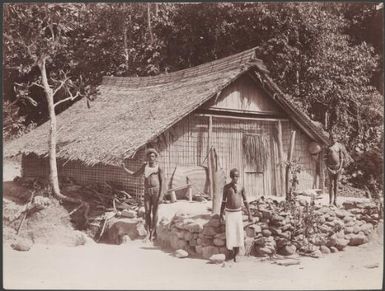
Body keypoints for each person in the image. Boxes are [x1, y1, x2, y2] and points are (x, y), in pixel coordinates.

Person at [121, 148, 163, 240]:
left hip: (156, 191)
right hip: (147, 191)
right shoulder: (145, 167)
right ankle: (148, 231)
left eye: (153, 156)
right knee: (147, 211)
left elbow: (163, 181)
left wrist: (161, 196)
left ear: (155, 157)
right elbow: (135, 174)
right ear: (147, 158)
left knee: (155, 212)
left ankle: (154, 231)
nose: (151, 158)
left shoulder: (159, 167)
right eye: (149, 156)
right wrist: (124, 169)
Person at [219, 168, 252, 262]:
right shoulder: (227, 187)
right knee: (230, 233)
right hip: (229, 213)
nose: (235, 178)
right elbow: (223, 201)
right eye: (233, 176)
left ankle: (236, 254)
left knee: (238, 233)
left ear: (239, 176)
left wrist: (249, 214)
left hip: (238, 213)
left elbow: (245, 201)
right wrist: (221, 214)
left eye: (236, 176)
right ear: (230, 176)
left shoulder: (241, 187)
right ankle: (230, 253)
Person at [325, 132, 351, 206]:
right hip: (330, 167)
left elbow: (341, 159)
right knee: (330, 184)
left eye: (335, 138)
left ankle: (335, 201)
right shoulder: (328, 147)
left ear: (337, 139)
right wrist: (328, 168)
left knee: (336, 184)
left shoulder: (339, 146)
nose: (334, 139)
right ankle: (330, 201)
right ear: (330, 139)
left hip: (338, 167)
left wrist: (340, 168)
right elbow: (325, 160)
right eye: (332, 138)